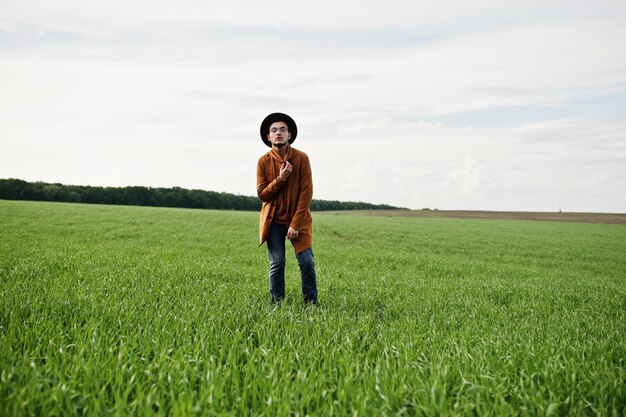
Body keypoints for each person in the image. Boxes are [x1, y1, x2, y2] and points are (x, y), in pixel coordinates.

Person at [256, 112, 318, 305]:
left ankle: (311, 304)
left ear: (289, 135)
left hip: (298, 221)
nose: (278, 133)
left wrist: (295, 224)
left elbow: (306, 193)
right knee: (278, 263)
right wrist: (281, 178)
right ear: (268, 137)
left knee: (306, 262)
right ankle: (277, 305)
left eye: (283, 129)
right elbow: (263, 194)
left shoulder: (301, 159)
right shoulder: (263, 161)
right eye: (274, 130)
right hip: (273, 221)